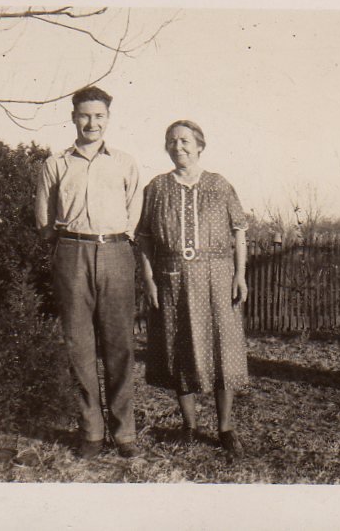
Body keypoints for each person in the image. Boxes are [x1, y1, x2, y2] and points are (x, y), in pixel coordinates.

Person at [35, 86, 141, 459]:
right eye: (85, 115)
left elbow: (134, 212)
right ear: (73, 118)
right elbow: (45, 221)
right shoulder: (55, 164)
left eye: (99, 116)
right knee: (79, 346)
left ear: (108, 119)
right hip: (71, 251)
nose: (91, 122)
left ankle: (124, 432)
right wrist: (68, 244)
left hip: (115, 251)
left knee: (119, 346)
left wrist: (114, 241)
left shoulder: (125, 162)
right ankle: (91, 432)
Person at [136, 120, 250, 457]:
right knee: (178, 348)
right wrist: (149, 279)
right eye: (171, 141)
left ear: (200, 145)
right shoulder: (155, 188)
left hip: (217, 278)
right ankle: (189, 426)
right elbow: (143, 239)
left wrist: (240, 274)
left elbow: (240, 230)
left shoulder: (220, 185)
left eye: (185, 141)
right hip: (173, 280)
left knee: (222, 350)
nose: (178, 147)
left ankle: (225, 427)